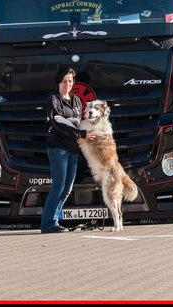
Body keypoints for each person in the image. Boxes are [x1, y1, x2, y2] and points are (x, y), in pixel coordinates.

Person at [40, 67, 97, 233]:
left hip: (73, 149)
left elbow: (79, 122)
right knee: (58, 186)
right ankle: (47, 224)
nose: (67, 84)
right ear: (59, 82)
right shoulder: (53, 100)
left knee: (67, 189)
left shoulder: (77, 101)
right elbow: (57, 125)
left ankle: (54, 220)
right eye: (64, 81)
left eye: (70, 81)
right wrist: (79, 133)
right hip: (58, 148)